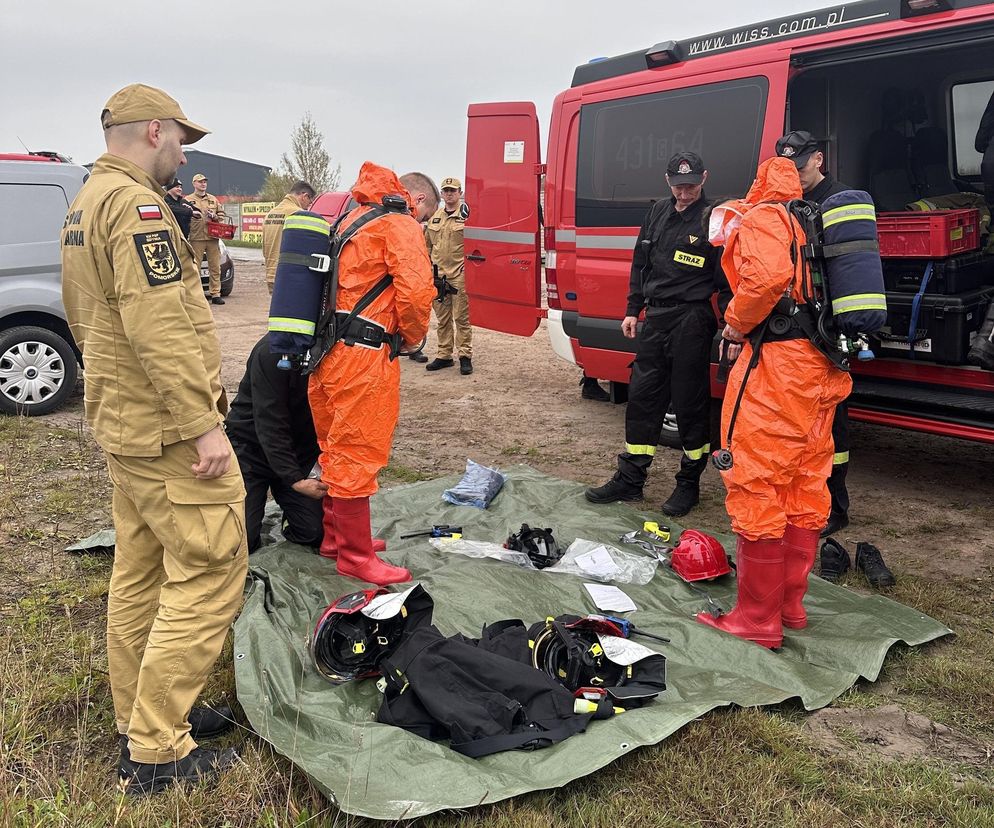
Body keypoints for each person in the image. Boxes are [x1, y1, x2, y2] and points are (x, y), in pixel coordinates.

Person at [60, 83, 244, 794]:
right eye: (181, 142)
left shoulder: (85, 203)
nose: (182, 155)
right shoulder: (136, 207)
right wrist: (203, 428)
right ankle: (159, 745)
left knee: (139, 573)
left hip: (126, 423)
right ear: (155, 130)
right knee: (208, 569)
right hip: (167, 430)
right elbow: (159, 325)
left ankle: (138, 713)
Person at [696, 157, 852, 648]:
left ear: (757, 186)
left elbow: (764, 280)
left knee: (755, 479)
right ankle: (790, 606)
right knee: (806, 479)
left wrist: (735, 324)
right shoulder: (813, 220)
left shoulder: (764, 217)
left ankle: (757, 618)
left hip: (779, 368)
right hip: (822, 366)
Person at [308, 162, 435, 586]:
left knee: (333, 449)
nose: (422, 222)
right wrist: (412, 338)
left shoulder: (350, 217)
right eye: (426, 215)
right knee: (357, 454)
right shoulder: (398, 224)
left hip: (325, 353)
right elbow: (416, 292)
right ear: (415, 200)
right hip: (363, 358)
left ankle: (336, 539)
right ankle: (356, 556)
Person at [585, 152, 731, 518]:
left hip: (692, 320)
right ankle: (630, 480)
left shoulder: (714, 218)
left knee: (689, 404)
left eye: (691, 185)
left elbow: (727, 276)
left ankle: (689, 484)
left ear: (704, 178)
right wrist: (633, 309)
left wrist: (733, 321)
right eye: (678, 186)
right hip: (655, 317)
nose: (684, 193)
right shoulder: (656, 213)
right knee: (643, 399)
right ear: (667, 181)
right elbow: (640, 263)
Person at [775, 131, 853, 540]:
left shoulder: (840, 200)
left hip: (829, 329)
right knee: (800, 425)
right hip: (795, 332)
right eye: (788, 169)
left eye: (801, 168)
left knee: (830, 423)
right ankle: (804, 504)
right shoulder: (785, 203)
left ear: (819, 159)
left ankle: (835, 507)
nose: (796, 176)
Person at [225, 334, 326, 552]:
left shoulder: (335, 350)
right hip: (250, 450)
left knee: (312, 532)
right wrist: (295, 479)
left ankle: (289, 515)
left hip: (297, 451)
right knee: (242, 543)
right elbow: (270, 422)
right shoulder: (271, 351)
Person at [424, 177, 474, 375]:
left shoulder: (467, 216)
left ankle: (464, 356)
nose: (450, 194)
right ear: (442, 194)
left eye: (453, 190)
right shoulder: (435, 217)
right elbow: (427, 245)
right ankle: (444, 355)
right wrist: (428, 268)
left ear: (460, 192)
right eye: (446, 190)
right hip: (438, 276)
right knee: (442, 319)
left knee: (462, 318)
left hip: (459, 274)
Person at [262, 180, 316, 295]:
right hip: (289, 275)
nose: (308, 207)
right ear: (304, 196)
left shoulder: (270, 214)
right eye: (309, 202)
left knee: (276, 311)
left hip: (271, 274)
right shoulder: (298, 214)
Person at [187, 172, 227, 305]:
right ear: (194, 184)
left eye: (204, 182)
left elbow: (222, 215)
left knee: (215, 267)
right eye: (200, 182)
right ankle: (197, 295)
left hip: (212, 237)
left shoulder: (213, 199)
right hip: (196, 237)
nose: (203, 184)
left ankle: (215, 293)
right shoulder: (188, 200)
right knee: (195, 268)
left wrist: (215, 216)